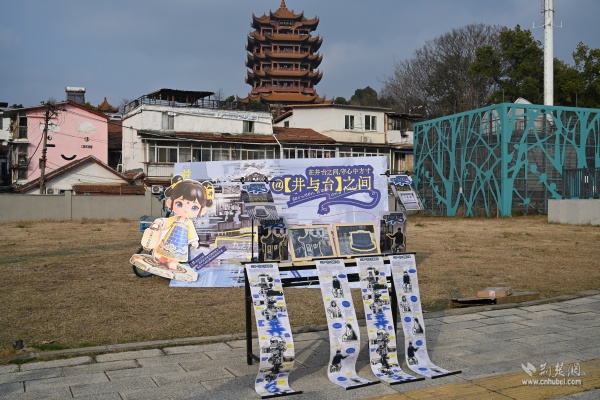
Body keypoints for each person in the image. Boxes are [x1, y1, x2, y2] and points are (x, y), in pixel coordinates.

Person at [152, 175, 207, 270]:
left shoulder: (188, 222)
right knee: (166, 250)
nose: (186, 210)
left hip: (181, 242)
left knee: (177, 253)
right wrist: (161, 221)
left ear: (202, 210)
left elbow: (191, 232)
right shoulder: (175, 219)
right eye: (180, 204)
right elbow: (167, 221)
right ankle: (164, 258)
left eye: (194, 207)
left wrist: (193, 241)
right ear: (171, 202)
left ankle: (173, 262)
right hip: (170, 239)